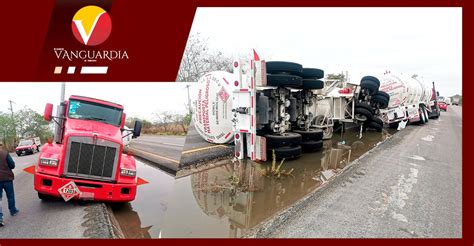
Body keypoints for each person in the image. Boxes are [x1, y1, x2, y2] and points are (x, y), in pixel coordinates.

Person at [0, 142, 19, 227]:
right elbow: (12, 165)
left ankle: (0, 218)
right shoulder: (5, 153)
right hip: (7, 178)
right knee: (10, 195)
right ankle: (13, 210)